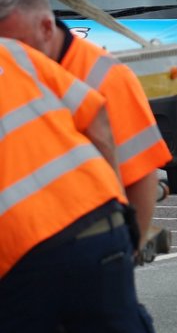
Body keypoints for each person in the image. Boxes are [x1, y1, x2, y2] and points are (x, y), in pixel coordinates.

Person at [0, 0, 170, 253]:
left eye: (17, 45)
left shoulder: (106, 77)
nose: (11, 56)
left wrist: (129, 249)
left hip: (82, 244)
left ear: (45, 27)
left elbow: (140, 176)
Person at [0, 36, 155, 331]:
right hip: (97, 224)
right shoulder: (12, 50)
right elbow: (97, 120)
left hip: (19, 253)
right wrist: (121, 213)